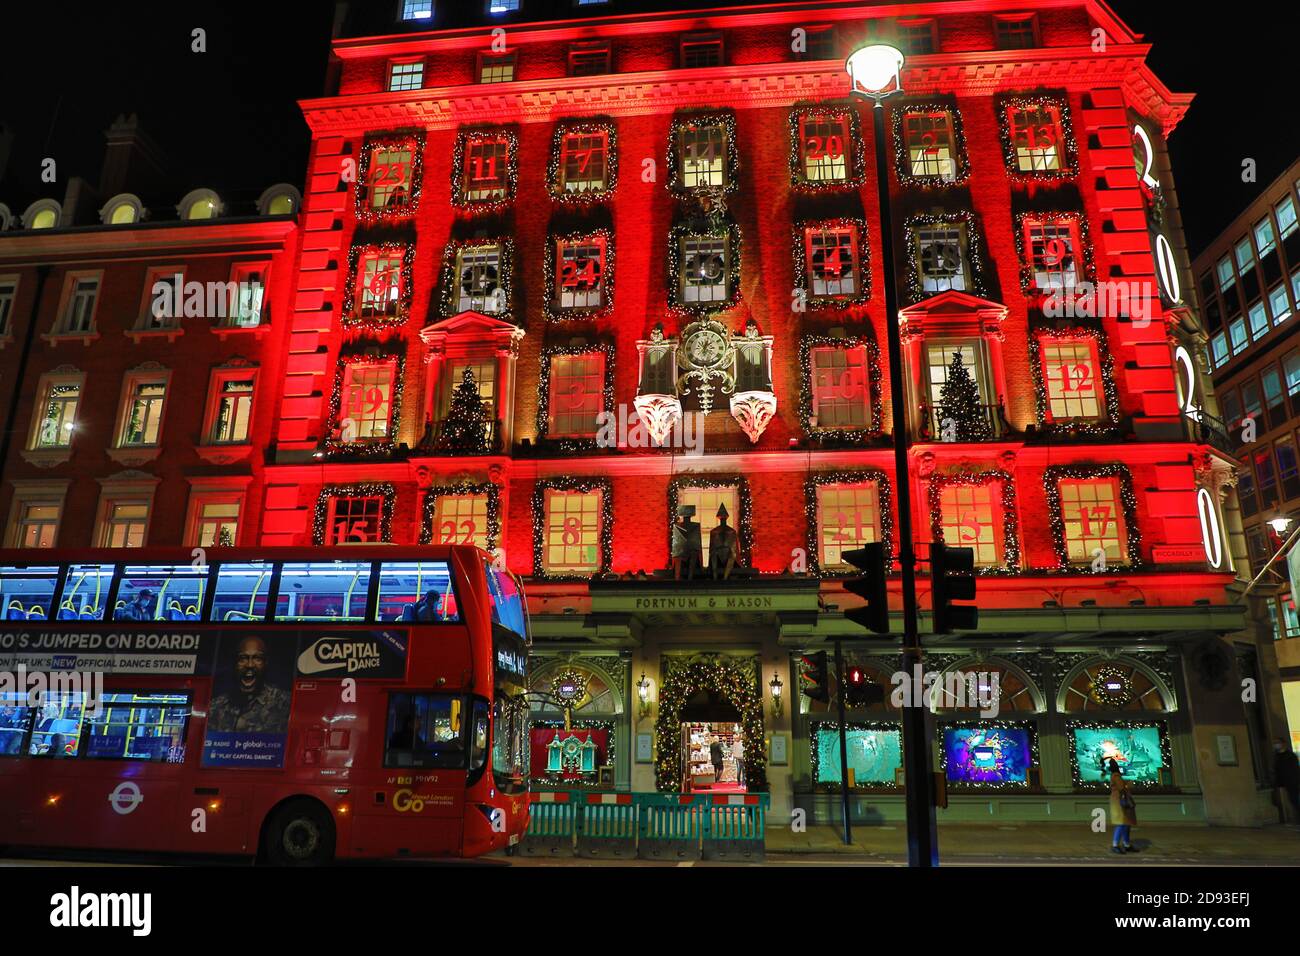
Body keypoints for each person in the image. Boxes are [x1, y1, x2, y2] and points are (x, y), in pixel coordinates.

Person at [208, 636, 291, 734]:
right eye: (243, 658)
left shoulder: (284, 703)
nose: (250, 665)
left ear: (265, 663)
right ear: (235, 663)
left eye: (257, 659)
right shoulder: (215, 707)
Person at [1108, 758, 1138, 854]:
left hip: (1118, 800)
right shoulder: (1116, 776)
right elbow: (1121, 787)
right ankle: (1116, 845)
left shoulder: (1113, 776)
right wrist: (1128, 784)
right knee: (1122, 823)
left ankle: (1126, 844)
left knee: (1125, 823)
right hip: (1120, 801)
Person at [1272, 738, 1300, 824]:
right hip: (1286, 783)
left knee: (1295, 800)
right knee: (1293, 800)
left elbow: (1295, 770)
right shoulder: (1276, 756)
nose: (1276, 745)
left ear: (1283, 744)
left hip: (1294, 782)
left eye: (1277, 743)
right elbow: (1277, 771)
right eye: (1275, 743)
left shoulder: (1290, 756)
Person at [709, 503, 739, 580]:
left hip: (728, 553)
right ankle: (715, 575)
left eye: (724, 519)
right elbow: (712, 547)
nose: (723, 520)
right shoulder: (714, 531)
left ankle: (725, 577)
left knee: (731, 557)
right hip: (717, 553)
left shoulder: (731, 531)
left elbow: (734, 548)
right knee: (714, 555)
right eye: (722, 519)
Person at [671, 505, 702, 580]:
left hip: (689, 551)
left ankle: (682, 578)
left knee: (692, 556)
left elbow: (696, 542)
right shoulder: (678, 526)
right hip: (683, 551)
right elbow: (676, 544)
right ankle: (678, 578)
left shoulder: (694, 526)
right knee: (680, 558)